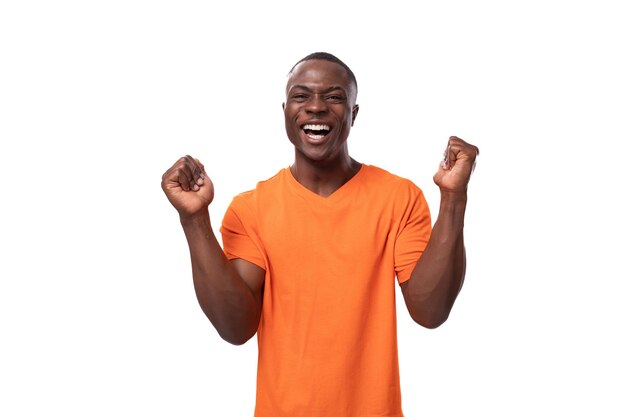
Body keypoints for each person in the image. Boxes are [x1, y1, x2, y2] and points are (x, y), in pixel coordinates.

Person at [161, 52, 479, 417]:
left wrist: (454, 198)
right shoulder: (251, 209)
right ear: (284, 111)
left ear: (354, 114)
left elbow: (431, 310)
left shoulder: (398, 198)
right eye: (301, 96)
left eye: (334, 96)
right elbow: (235, 328)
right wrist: (194, 219)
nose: (316, 107)